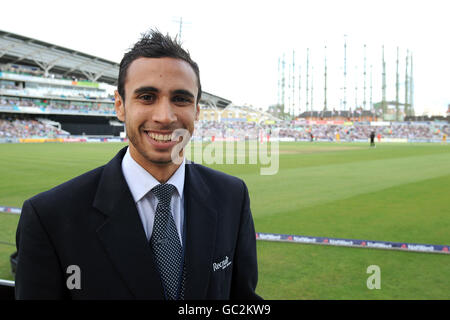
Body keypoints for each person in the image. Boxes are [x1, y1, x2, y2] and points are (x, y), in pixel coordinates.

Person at [15, 30, 261, 300]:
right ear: (119, 105)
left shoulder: (231, 196)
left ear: (197, 111)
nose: (165, 117)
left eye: (181, 99)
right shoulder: (50, 217)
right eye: (147, 97)